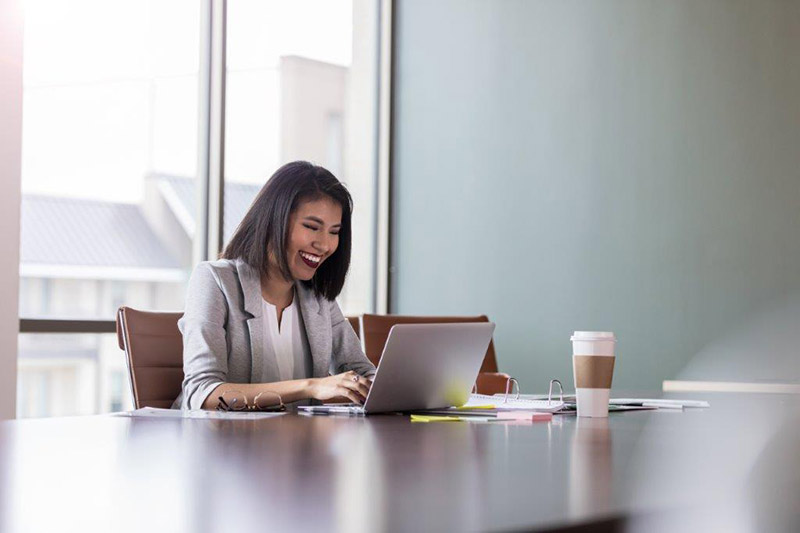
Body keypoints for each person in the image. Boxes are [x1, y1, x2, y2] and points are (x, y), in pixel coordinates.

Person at [174, 161, 376, 410]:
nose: (325, 245)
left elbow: (363, 373)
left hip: (300, 444)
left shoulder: (318, 298)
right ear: (273, 221)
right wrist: (310, 386)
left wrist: (384, 386)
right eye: (312, 227)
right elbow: (202, 394)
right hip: (226, 445)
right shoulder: (214, 281)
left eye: (334, 232)